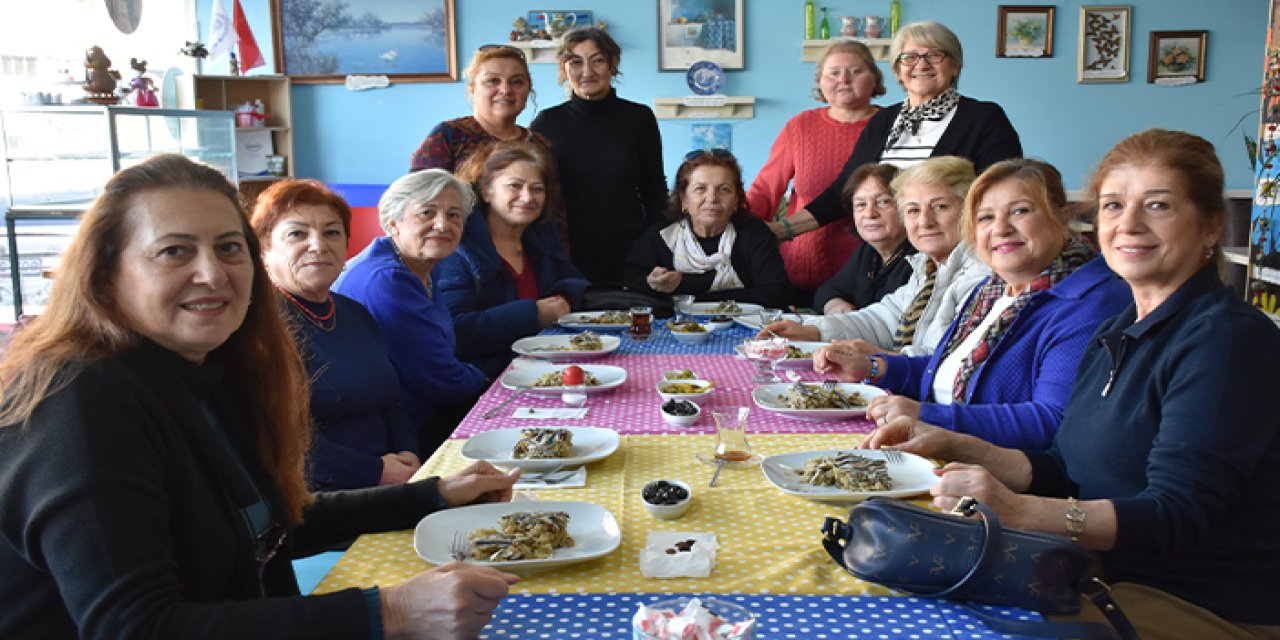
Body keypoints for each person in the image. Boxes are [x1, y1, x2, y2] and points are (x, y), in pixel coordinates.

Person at [0, 154, 522, 638]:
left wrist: (433, 495)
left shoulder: (205, 370)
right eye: (174, 250)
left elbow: (267, 524)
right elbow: (138, 626)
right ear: (106, 275)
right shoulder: (79, 405)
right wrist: (391, 610)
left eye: (229, 248)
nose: (211, 273)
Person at [861, 130, 1280, 638]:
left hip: (1195, 606)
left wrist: (1020, 509)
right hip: (1092, 574)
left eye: (1158, 205)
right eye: (1112, 206)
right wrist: (958, 443)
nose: (1129, 224)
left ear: (1211, 225)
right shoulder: (1118, 328)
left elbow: (1173, 516)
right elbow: (1064, 466)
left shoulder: (1226, 339)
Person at [814, 158, 1129, 449]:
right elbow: (946, 372)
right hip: (941, 449)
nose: (1000, 228)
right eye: (986, 217)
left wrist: (927, 415)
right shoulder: (993, 289)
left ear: (1062, 217)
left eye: (1020, 211)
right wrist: (875, 366)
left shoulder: (1089, 302)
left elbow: (1052, 420)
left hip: (997, 478)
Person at [769, 20, 1022, 244]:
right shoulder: (884, 121)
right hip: (884, 253)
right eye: (909, 57)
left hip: (947, 252)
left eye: (934, 55)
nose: (921, 65)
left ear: (955, 65)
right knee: (833, 297)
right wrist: (782, 230)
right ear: (897, 70)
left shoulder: (984, 118)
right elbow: (844, 191)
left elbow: (999, 192)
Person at [251, 179, 421, 491]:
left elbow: (391, 398)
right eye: (297, 234)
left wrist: (408, 452)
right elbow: (276, 437)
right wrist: (376, 471)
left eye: (331, 232)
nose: (318, 245)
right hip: (322, 498)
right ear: (263, 249)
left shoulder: (354, 312)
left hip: (394, 481)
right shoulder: (258, 327)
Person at [766, 156, 990, 357]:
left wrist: (879, 359)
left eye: (940, 207)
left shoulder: (982, 274)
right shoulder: (928, 267)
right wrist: (812, 330)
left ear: (969, 212)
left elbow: (948, 362)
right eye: (913, 210)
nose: (924, 221)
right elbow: (882, 320)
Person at [333, 169, 488, 457]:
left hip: (421, 416)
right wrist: (492, 384)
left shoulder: (425, 268)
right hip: (395, 440)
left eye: (454, 215)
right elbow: (439, 379)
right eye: (427, 213)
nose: (442, 224)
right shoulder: (387, 279)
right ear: (393, 223)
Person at [747, 41, 885, 304]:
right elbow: (764, 191)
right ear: (820, 81)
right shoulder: (800, 127)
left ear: (874, 78)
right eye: (833, 73)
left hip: (872, 276)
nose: (843, 79)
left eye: (855, 71)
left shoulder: (891, 124)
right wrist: (741, 235)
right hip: (803, 272)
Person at [439, 142, 589, 378]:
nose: (527, 197)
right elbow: (456, 332)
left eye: (537, 189)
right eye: (514, 186)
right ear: (486, 190)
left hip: (545, 370)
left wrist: (564, 298)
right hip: (485, 381)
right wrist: (534, 314)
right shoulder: (459, 246)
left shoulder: (541, 235)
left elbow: (575, 281)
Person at [530, 28, 668, 284]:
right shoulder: (546, 122)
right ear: (563, 69)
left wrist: (656, 252)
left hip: (630, 251)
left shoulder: (639, 118)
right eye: (575, 62)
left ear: (613, 64)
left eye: (597, 60)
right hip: (566, 253)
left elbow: (655, 192)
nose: (587, 72)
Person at [623, 150, 790, 309]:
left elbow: (776, 295)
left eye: (724, 189)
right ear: (684, 199)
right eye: (700, 189)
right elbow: (629, 285)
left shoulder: (754, 234)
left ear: (737, 200)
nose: (712, 198)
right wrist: (650, 282)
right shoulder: (662, 237)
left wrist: (685, 286)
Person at [409, 45, 551, 173]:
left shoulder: (540, 145)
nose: (506, 90)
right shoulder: (449, 136)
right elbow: (417, 197)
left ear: (528, 90)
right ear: (473, 88)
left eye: (517, 82)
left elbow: (554, 200)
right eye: (493, 80)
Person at [812, 163, 916, 314]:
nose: (869, 214)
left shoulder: (922, 255)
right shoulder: (867, 253)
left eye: (883, 201)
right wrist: (835, 305)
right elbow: (828, 290)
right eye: (860, 204)